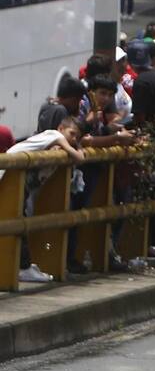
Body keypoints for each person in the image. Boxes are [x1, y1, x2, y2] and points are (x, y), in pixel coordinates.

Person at [5, 116, 85, 283]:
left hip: (15, 183)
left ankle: (23, 265)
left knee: (19, 223)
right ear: (61, 129)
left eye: (78, 137)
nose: (74, 139)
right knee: (18, 224)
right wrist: (78, 148)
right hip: (8, 178)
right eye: (72, 134)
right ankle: (23, 267)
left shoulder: (53, 141)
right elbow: (79, 158)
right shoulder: (54, 135)